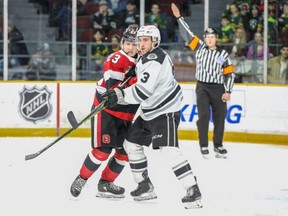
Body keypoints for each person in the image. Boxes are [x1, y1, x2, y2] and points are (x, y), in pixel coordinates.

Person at [101, 25, 202, 209]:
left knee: (169, 149)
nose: (140, 44)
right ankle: (144, 186)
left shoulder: (155, 58)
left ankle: (193, 190)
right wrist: (135, 73)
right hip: (149, 111)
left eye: (145, 40)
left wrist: (118, 94)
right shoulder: (146, 57)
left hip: (165, 111)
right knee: (130, 144)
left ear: (155, 41)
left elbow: (142, 92)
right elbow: (143, 78)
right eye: (139, 40)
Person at [70, 24, 139, 199]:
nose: (130, 47)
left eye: (134, 44)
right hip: (107, 110)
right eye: (127, 43)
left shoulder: (144, 61)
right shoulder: (115, 59)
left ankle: (105, 183)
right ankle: (82, 178)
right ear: (122, 43)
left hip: (126, 114)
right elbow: (113, 90)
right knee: (102, 151)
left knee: (125, 152)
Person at [171, 3, 235, 159]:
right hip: (202, 87)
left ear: (216, 38)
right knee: (204, 116)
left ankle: (218, 146)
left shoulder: (222, 54)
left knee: (220, 118)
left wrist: (228, 91)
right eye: (207, 36)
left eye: (212, 36)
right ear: (205, 38)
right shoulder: (199, 47)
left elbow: (230, 74)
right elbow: (187, 33)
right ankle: (204, 145)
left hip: (219, 88)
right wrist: (179, 18)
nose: (210, 39)